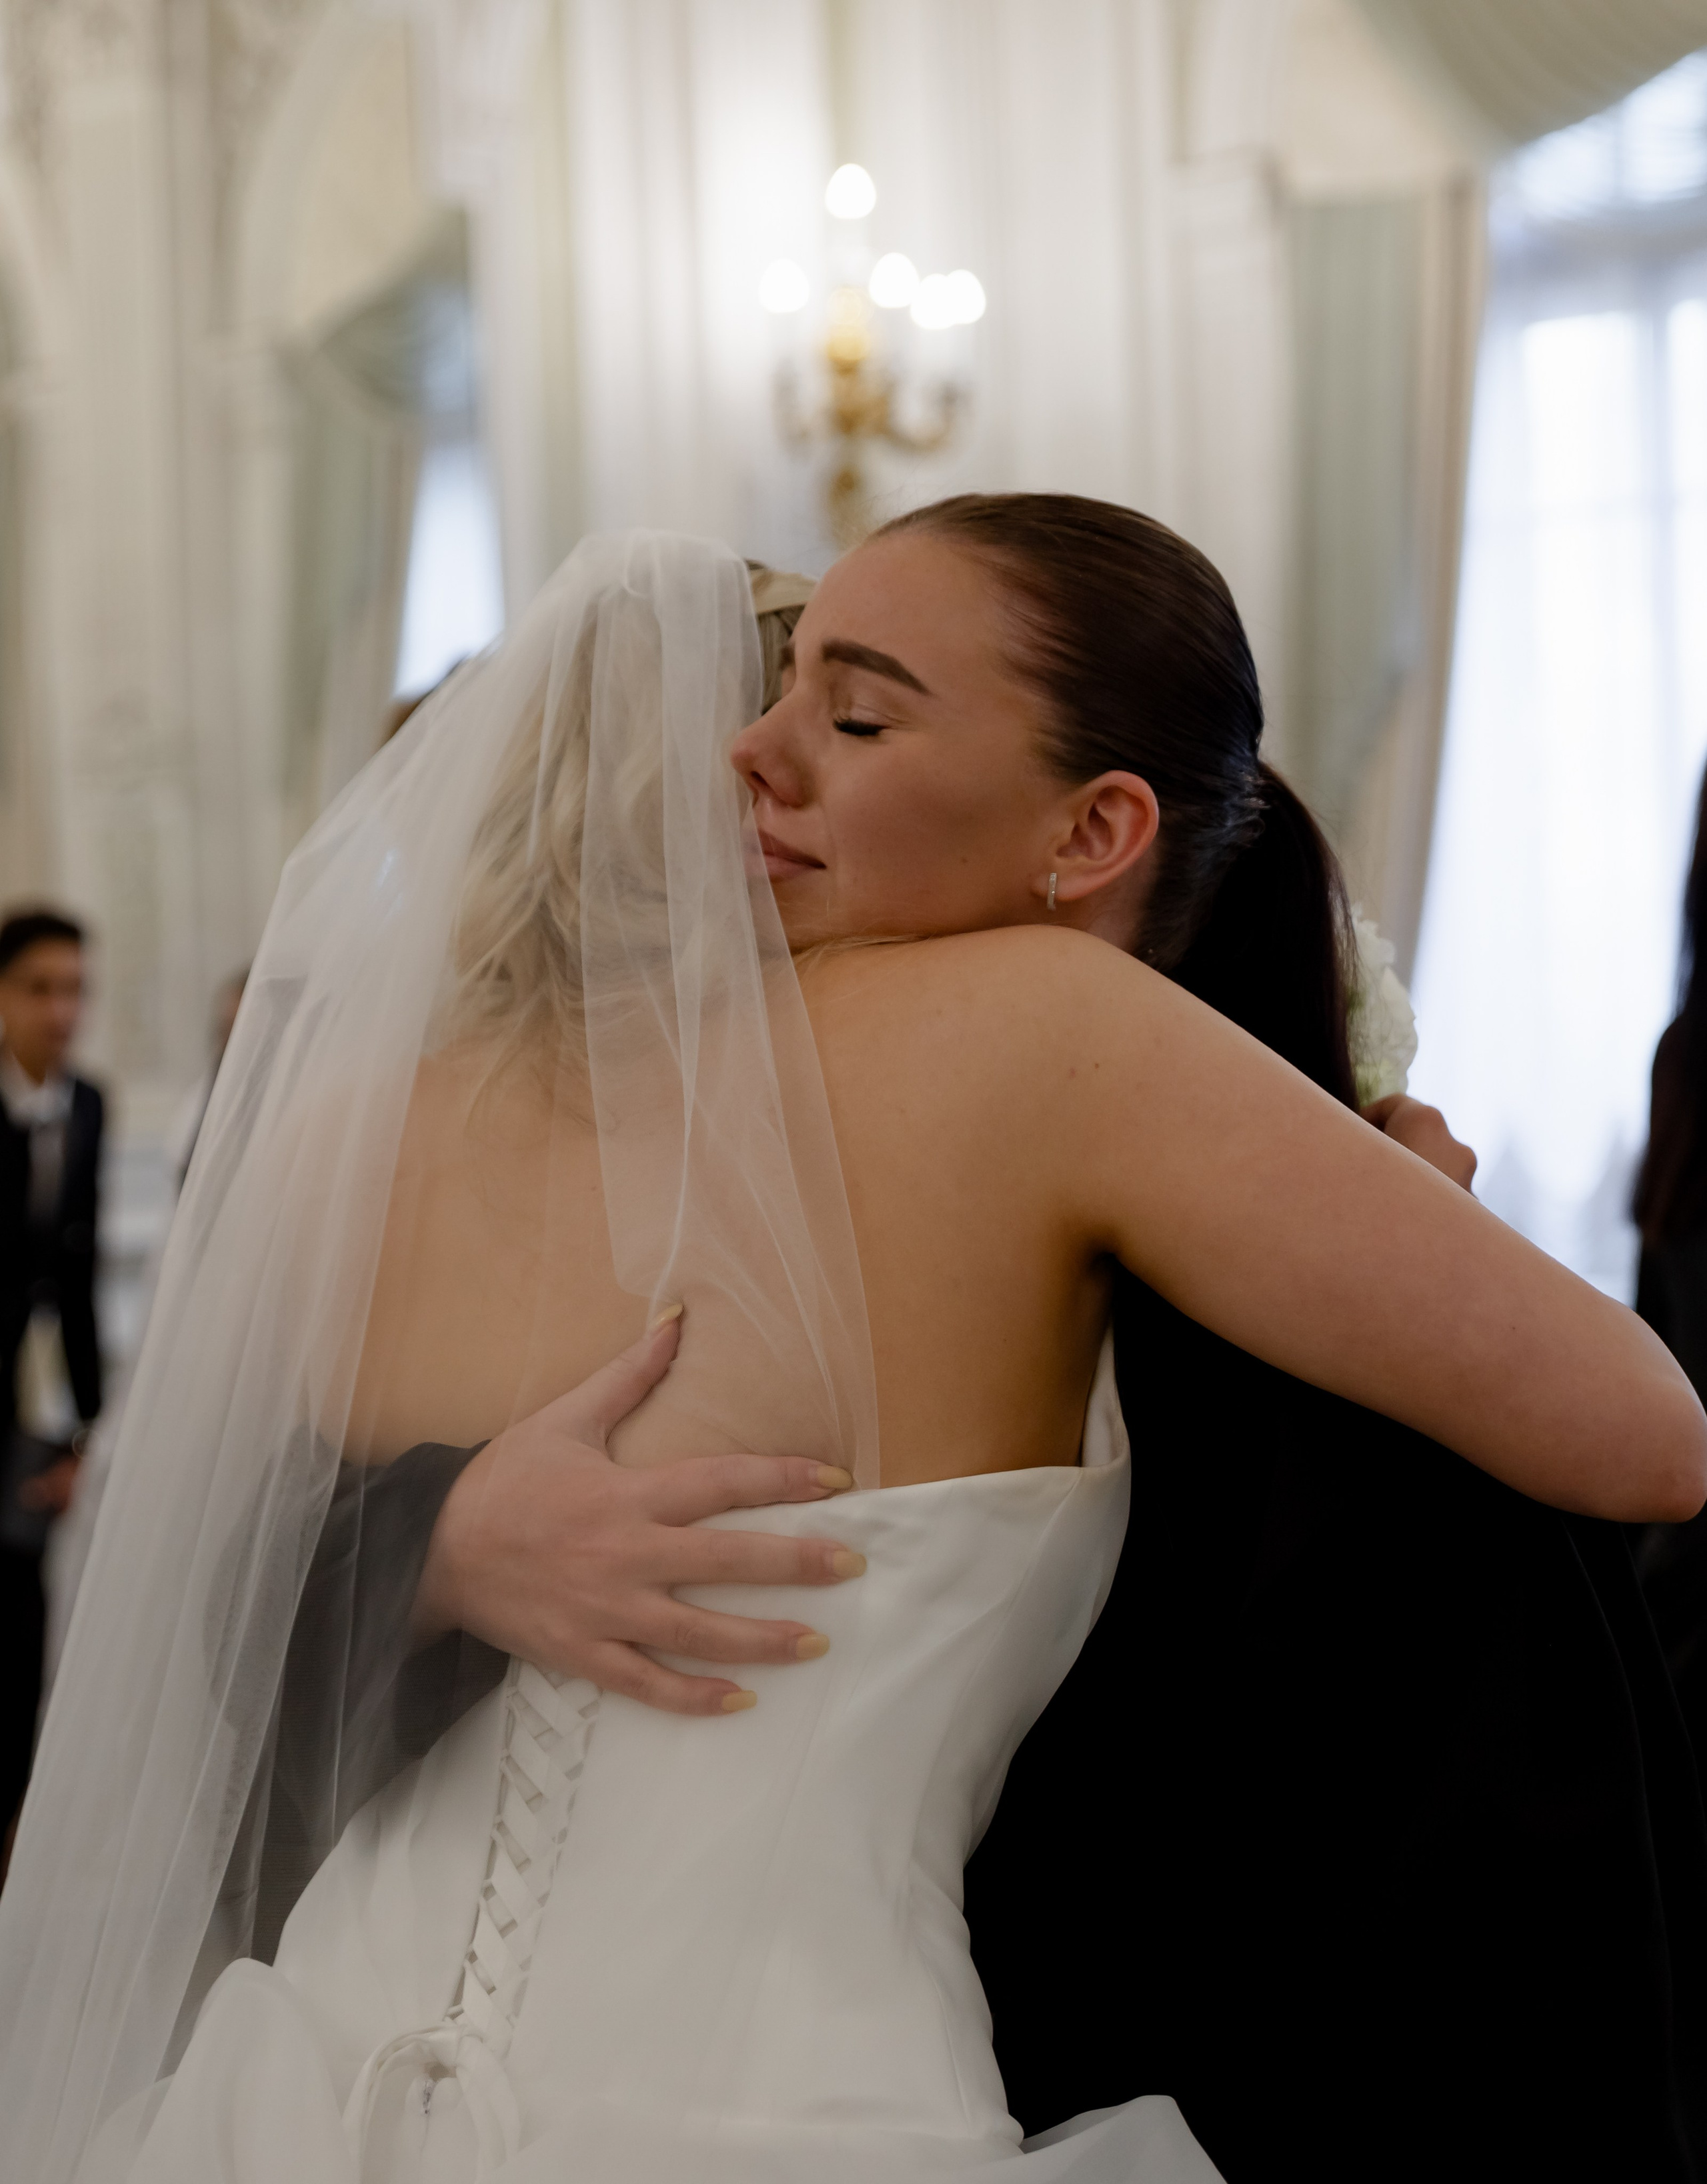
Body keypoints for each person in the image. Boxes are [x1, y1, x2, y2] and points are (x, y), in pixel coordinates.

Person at [2, 519, 1701, 2184]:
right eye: (785, 702)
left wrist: (428, 1543)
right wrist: (1402, 1224)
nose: (763, 757)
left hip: (293, 2077)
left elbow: (216, 1650)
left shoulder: (350, 1144)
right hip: (783, 2093)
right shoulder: (1033, 1030)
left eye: (856, 713)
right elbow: (1644, 1435)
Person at [0, 907, 101, 1854]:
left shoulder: (89, 1106)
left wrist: (83, 1437)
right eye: (39, 988)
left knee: (26, 1620)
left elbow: (73, 1289)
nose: (62, 1011)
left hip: (27, 1424)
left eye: (75, 989)